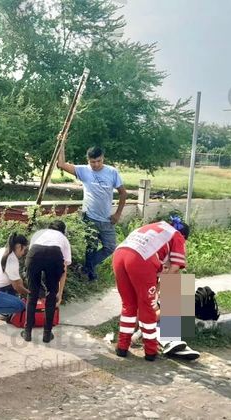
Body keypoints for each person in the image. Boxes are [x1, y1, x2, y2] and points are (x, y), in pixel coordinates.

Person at [112, 216, 189, 361]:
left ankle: (122, 346)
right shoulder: (177, 235)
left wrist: (158, 284)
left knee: (129, 305)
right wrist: (158, 292)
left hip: (120, 254)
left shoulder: (156, 228)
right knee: (147, 307)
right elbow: (174, 269)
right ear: (184, 237)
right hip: (140, 260)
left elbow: (162, 267)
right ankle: (151, 351)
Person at [57, 145, 127, 281]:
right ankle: (90, 275)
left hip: (107, 219)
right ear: (88, 160)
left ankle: (86, 268)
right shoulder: (83, 171)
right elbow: (61, 164)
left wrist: (118, 214)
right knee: (91, 246)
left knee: (110, 247)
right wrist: (62, 144)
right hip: (89, 217)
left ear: (103, 159)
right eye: (92, 162)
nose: (96, 164)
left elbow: (123, 193)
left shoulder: (112, 172)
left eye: (99, 161)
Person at [22, 220, 72, 343]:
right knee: (51, 296)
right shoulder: (63, 239)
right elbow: (64, 269)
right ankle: (47, 334)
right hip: (54, 255)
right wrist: (59, 293)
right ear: (63, 231)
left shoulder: (39, 234)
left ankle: (27, 332)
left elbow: (31, 253)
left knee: (32, 294)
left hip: (34, 254)